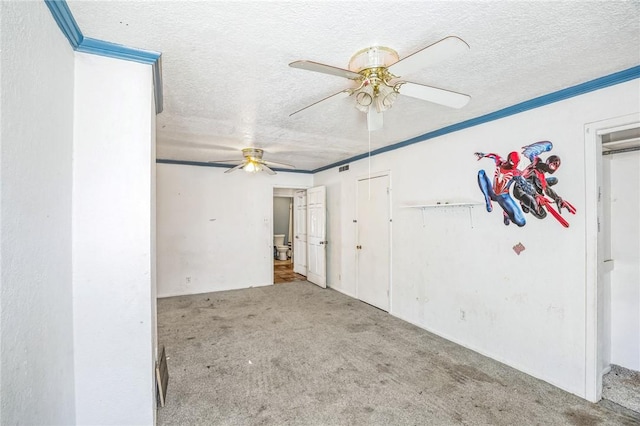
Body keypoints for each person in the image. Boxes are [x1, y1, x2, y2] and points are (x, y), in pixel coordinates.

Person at [475, 151, 526, 226]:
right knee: (481, 173)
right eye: (512, 162)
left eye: (515, 163)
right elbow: (494, 155)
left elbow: (524, 183)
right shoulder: (500, 162)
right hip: (492, 192)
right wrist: (483, 155)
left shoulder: (515, 172)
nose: (512, 165)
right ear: (509, 159)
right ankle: (487, 198)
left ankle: (506, 213)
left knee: (521, 222)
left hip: (504, 197)